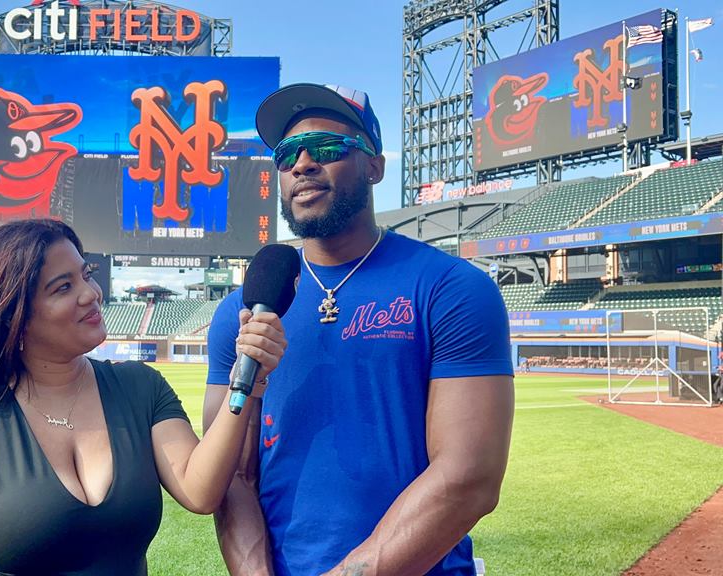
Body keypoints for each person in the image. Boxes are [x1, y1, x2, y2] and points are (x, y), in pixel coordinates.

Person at [204, 84, 515, 576]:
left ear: (375, 165)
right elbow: (232, 477)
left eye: (327, 148)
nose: (302, 164)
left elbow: (468, 477)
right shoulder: (241, 313)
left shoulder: (453, 289)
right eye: (285, 155)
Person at [0, 219, 286, 575]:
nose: (91, 294)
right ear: (14, 314)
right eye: (63, 287)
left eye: (85, 276)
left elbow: (200, 491)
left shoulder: (140, 387)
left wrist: (248, 379)